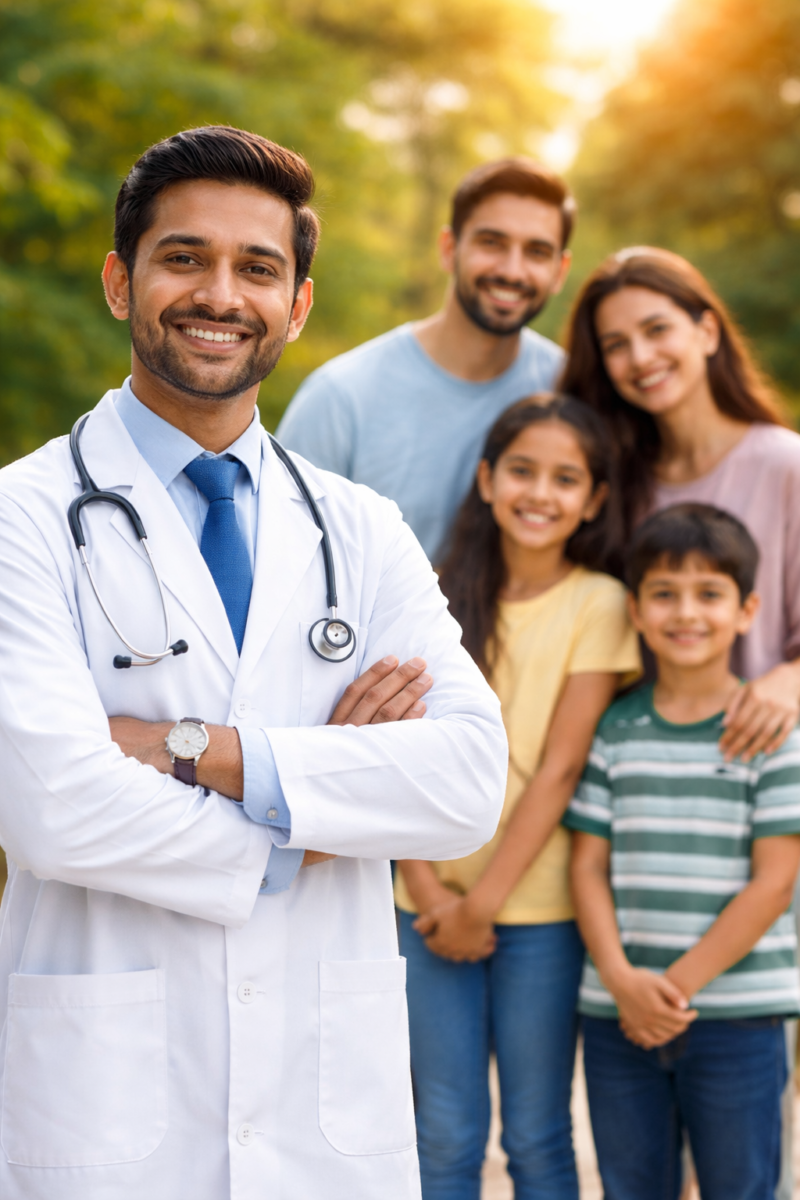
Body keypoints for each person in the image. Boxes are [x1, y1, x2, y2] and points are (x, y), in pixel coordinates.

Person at [0, 126, 508, 1200]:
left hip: (323, 1119)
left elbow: (467, 782)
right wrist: (311, 821)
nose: (219, 295)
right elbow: (52, 806)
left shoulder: (359, 529)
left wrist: (193, 749)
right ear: (119, 281)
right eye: (184, 258)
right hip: (105, 1108)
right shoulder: (23, 517)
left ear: (298, 304)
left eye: (257, 268)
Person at [394, 395, 641, 1199]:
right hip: (423, 902)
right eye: (523, 471)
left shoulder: (600, 603)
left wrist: (484, 904)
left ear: (594, 500)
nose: (540, 493)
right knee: (442, 1129)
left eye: (565, 479)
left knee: (536, 1132)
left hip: (537, 909)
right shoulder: (430, 594)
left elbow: (561, 768)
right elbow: (397, 752)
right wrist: (430, 889)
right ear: (486, 480)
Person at [565, 503, 800, 1200]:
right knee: (631, 1187)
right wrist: (622, 981)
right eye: (664, 594)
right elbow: (587, 867)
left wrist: (673, 989)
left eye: (709, 594)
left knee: (742, 1187)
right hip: (618, 1013)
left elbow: (774, 883)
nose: (686, 613)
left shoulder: (773, 734)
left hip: (738, 1015)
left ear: (747, 610)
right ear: (636, 612)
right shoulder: (616, 729)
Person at [561, 245, 800, 764]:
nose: (640, 357)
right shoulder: (612, 486)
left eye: (657, 330)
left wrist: (793, 679)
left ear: (707, 332)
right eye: (616, 345)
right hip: (642, 766)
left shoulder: (786, 465)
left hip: (761, 762)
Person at [277, 157, 573, 561]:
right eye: (492, 243)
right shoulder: (342, 398)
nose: (512, 270)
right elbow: (285, 560)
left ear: (560, 271)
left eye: (537, 252)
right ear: (449, 249)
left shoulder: (569, 388)